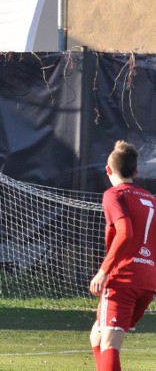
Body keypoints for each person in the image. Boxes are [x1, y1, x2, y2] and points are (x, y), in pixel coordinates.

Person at [88, 140, 156, 371]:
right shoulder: (151, 199)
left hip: (123, 278)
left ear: (108, 170)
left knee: (109, 344)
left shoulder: (113, 195)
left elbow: (125, 233)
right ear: (136, 171)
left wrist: (103, 271)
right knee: (97, 336)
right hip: (147, 282)